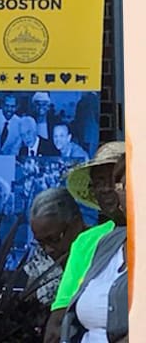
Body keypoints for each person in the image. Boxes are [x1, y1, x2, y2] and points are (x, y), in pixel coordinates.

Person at [47, 142, 125, 341]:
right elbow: (60, 316)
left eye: (113, 180)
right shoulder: (88, 241)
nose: (107, 189)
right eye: (98, 182)